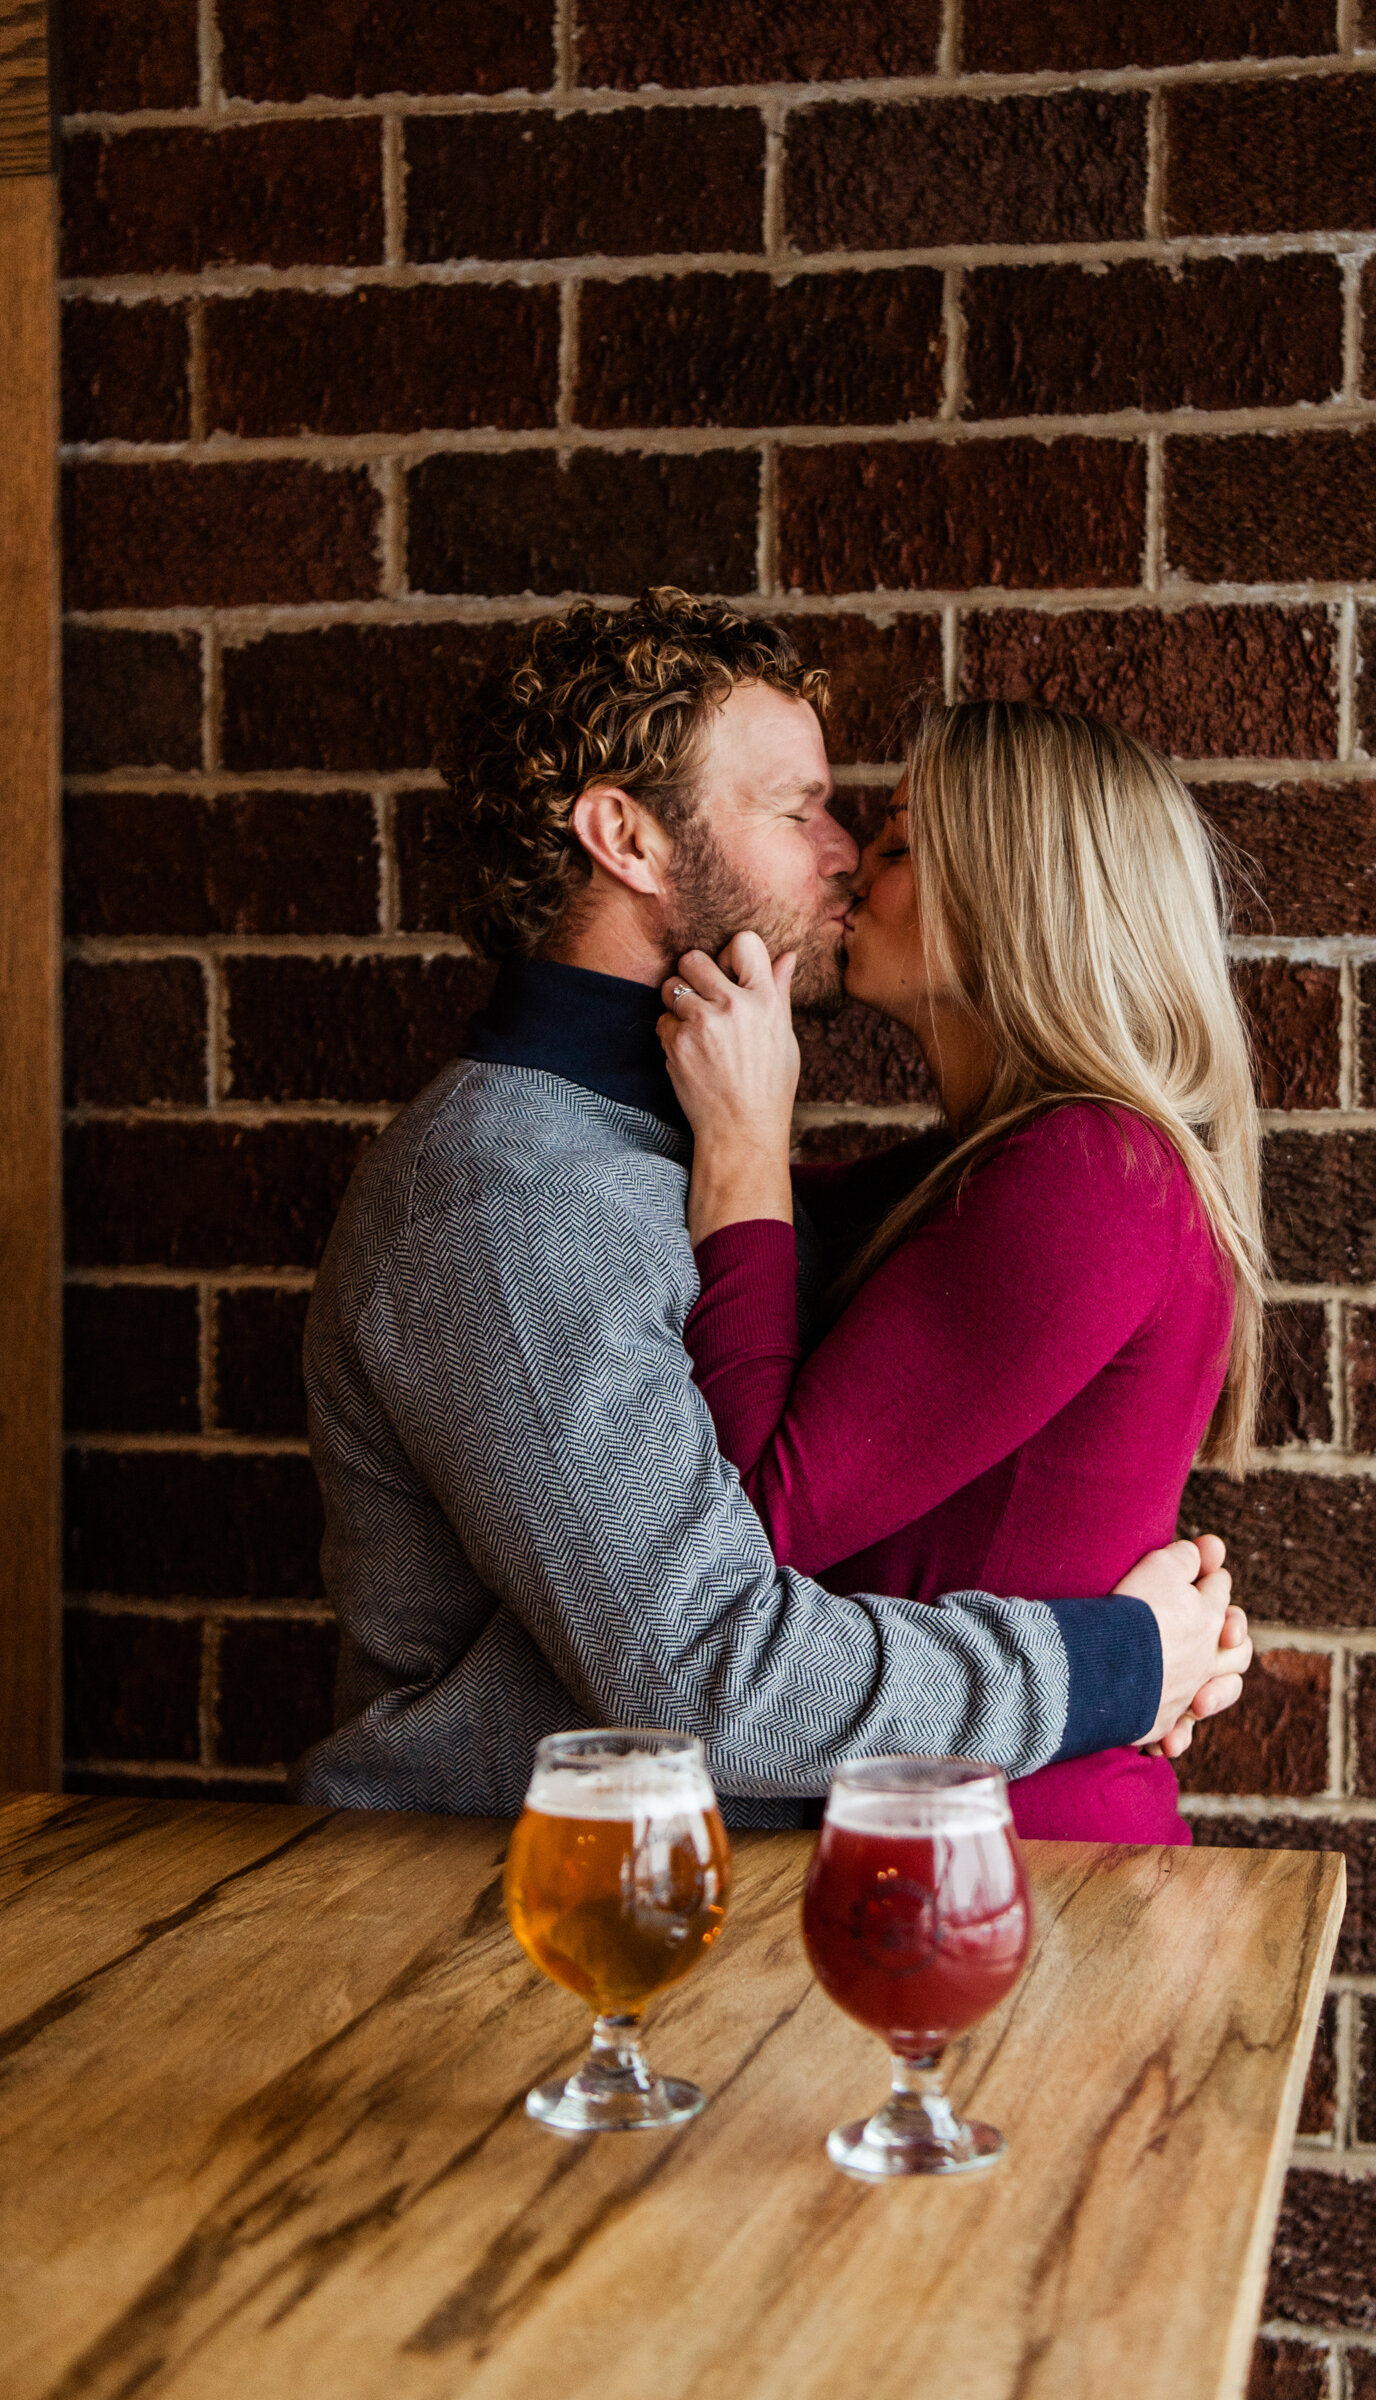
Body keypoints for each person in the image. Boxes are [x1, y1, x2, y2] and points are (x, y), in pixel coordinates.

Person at [291, 591, 1250, 1822]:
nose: (843, 850)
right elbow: (721, 1681)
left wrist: (1160, 1640)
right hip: (501, 1910)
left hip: (722, 1904)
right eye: (798, 811)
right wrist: (1116, 1663)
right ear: (626, 840)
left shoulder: (695, 1163)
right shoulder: (504, 1204)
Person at [661, 701, 1265, 1844]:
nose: (848, 870)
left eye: (892, 847)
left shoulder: (1086, 1174)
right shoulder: (994, 1169)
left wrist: (741, 1146)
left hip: (1018, 1883)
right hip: (950, 1847)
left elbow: (747, 1530)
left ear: (1008, 901)